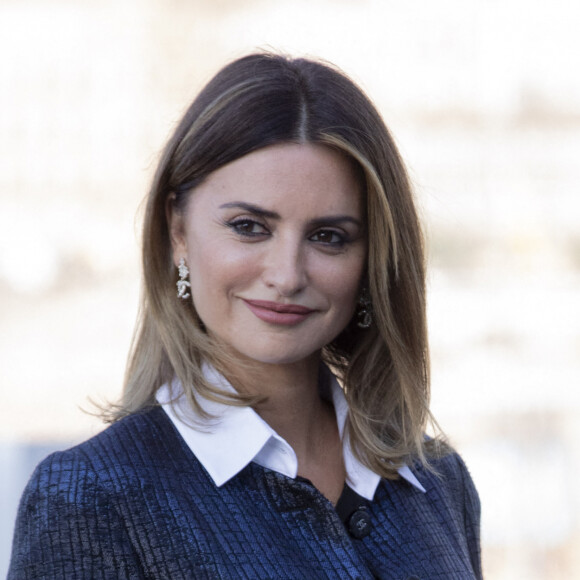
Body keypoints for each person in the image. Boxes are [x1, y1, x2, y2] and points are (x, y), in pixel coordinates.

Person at [8, 52, 482, 579]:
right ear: (178, 232)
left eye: (329, 237)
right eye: (249, 227)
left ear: (371, 259)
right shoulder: (90, 497)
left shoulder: (440, 481)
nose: (287, 275)